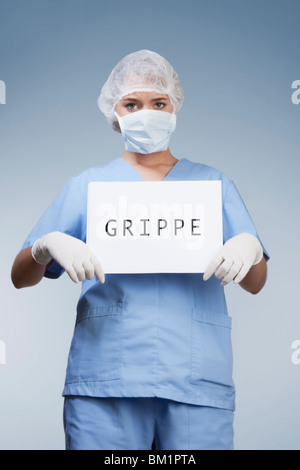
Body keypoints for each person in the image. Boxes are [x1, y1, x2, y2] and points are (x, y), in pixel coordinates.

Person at [11, 50, 269, 450]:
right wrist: (46, 246)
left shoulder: (212, 185)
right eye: (132, 103)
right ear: (114, 112)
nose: (146, 112)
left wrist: (249, 247)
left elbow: (255, 283)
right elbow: (19, 277)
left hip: (195, 382)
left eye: (158, 103)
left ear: (175, 107)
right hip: (106, 381)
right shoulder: (89, 187)